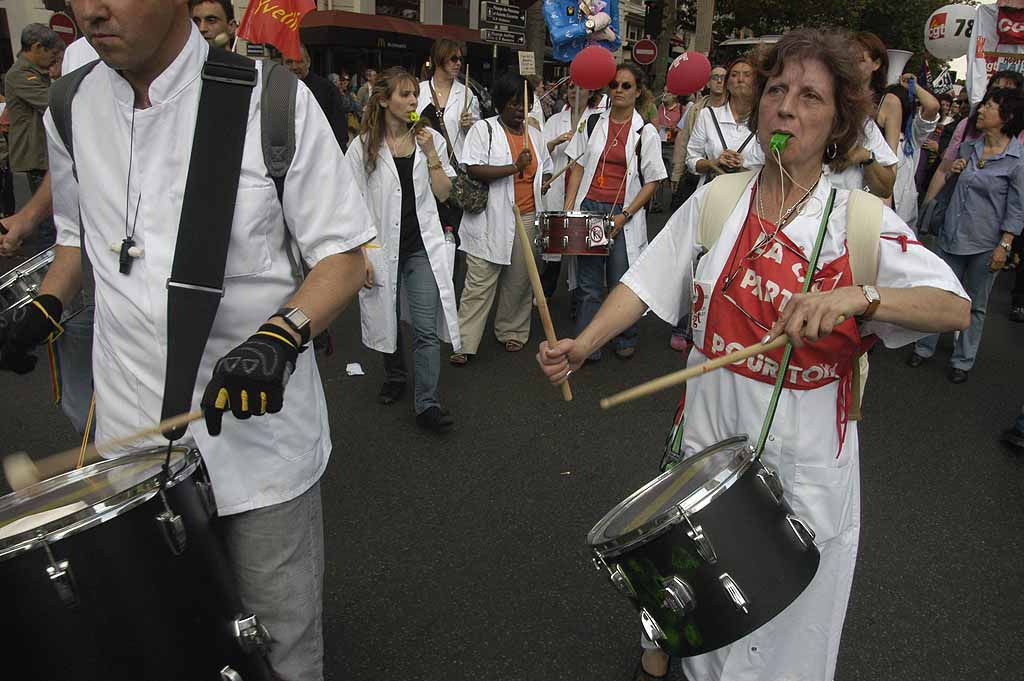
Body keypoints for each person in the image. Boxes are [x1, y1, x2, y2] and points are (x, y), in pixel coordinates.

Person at [536, 28, 969, 681]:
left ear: (838, 121)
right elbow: (648, 277)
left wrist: (862, 295)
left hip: (805, 473)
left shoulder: (859, 219)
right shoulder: (719, 201)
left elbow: (952, 305)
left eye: (810, 97)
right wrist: (583, 343)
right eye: (776, 91)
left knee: (788, 641)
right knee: (709, 632)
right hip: (708, 458)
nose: (787, 107)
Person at [0, 4, 374, 680]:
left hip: (260, 448)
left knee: (280, 648)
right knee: (163, 640)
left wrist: (281, 335)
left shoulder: (272, 100)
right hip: (133, 440)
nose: (92, 10)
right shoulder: (69, 103)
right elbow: (76, 238)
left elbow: (345, 257)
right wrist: (47, 303)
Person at [345, 67, 461, 431]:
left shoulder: (432, 141)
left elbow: (445, 194)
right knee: (388, 317)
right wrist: (361, 255)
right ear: (383, 100)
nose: (413, 101)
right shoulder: (363, 146)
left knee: (425, 328)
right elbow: (351, 204)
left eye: (415, 94)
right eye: (405, 94)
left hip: (421, 247)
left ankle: (427, 403)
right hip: (381, 247)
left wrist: (431, 154)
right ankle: (395, 376)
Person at [908, 88, 1024, 383]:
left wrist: (1005, 245)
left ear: (1007, 117)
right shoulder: (969, 147)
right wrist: (953, 172)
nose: (981, 110)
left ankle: (963, 360)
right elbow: (947, 182)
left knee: (975, 304)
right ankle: (924, 348)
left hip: (986, 245)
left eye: (989, 106)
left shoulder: (1017, 161)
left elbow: (1017, 208)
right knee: (939, 293)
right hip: (951, 234)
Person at [563, 63, 667, 360]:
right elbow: (578, 164)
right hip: (591, 207)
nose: (618, 91)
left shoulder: (645, 132)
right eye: (613, 85)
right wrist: (570, 206)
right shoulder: (592, 121)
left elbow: (653, 181)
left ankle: (625, 338)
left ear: (637, 91)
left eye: (626, 86)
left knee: (622, 280)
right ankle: (587, 346)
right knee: (589, 283)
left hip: (623, 213)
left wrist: (625, 215)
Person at [448, 73, 551, 364]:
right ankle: (464, 342)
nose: (520, 110)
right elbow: (473, 168)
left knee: (520, 280)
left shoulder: (535, 136)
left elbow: (544, 170)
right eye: (514, 104)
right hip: (491, 218)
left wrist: (542, 181)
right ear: (501, 104)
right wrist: (513, 167)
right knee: (479, 281)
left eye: (525, 105)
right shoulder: (484, 130)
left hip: (527, 215)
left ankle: (512, 331)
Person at [539, 83, 604, 300]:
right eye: (571, 88)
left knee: (582, 247)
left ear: (592, 91)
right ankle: (545, 291)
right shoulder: (555, 120)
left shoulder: (599, 119)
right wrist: (556, 141)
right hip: (559, 183)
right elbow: (541, 150)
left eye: (581, 88)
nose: (575, 92)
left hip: (584, 185)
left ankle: (580, 298)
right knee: (554, 244)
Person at [4, 23, 62, 254]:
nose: (53, 60)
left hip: (44, 151)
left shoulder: (36, 74)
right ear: (37, 47)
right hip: (35, 153)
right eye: (53, 54)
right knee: (48, 219)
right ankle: (48, 261)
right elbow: (51, 103)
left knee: (57, 212)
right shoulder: (20, 75)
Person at [686, 57, 765, 191]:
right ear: (727, 84)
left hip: (749, 196)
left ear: (757, 84)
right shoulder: (708, 115)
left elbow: (773, 166)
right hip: (713, 194)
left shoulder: (765, 122)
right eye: (734, 75)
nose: (740, 79)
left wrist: (743, 165)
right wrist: (714, 162)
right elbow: (691, 160)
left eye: (747, 75)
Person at [885, 74, 939, 227]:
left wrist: (913, 86)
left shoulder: (911, 136)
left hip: (901, 216)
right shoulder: (872, 132)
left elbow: (932, 106)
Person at [417, 38, 480, 164]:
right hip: (422, 162)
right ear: (438, 59)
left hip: (453, 166)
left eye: (460, 59)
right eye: (453, 59)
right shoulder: (419, 90)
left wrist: (469, 126)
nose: (458, 63)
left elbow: (476, 137)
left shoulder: (466, 93)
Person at [670, 65, 727, 199]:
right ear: (708, 82)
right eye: (715, 77)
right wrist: (676, 173)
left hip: (723, 176)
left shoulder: (734, 110)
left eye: (723, 78)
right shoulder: (696, 109)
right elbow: (683, 140)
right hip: (695, 174)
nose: (719, 81)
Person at [285, 45, 348, 151]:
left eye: (299, 61)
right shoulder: (275, 90)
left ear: (308, 62)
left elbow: (339, 131)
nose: (294, 67)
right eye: (289, 62)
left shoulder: (328, 90)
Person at [852, 32, 903, 155]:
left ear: (876, 64)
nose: (852, 64)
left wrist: (865, 157)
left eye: (860, 60)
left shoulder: (889, 102)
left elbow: (890, 169)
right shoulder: (835, 96)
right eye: (847, 58)